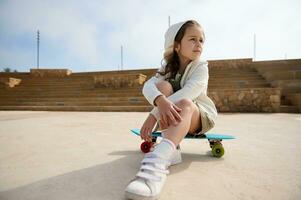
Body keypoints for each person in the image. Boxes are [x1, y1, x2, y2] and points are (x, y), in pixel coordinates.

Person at [125, 19, 218, 200]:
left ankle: (156, 167)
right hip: (176, 116)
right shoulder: (166, 68)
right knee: (163, 87)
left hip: (200, 116)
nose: (198, 44)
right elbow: (148, 86)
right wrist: (160, 100)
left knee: (185, 103)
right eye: (192, 39)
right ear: (176, 45)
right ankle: (172, 150)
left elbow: (191, 92)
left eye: (201, 40)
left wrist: (153, 115)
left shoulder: (201, 67)